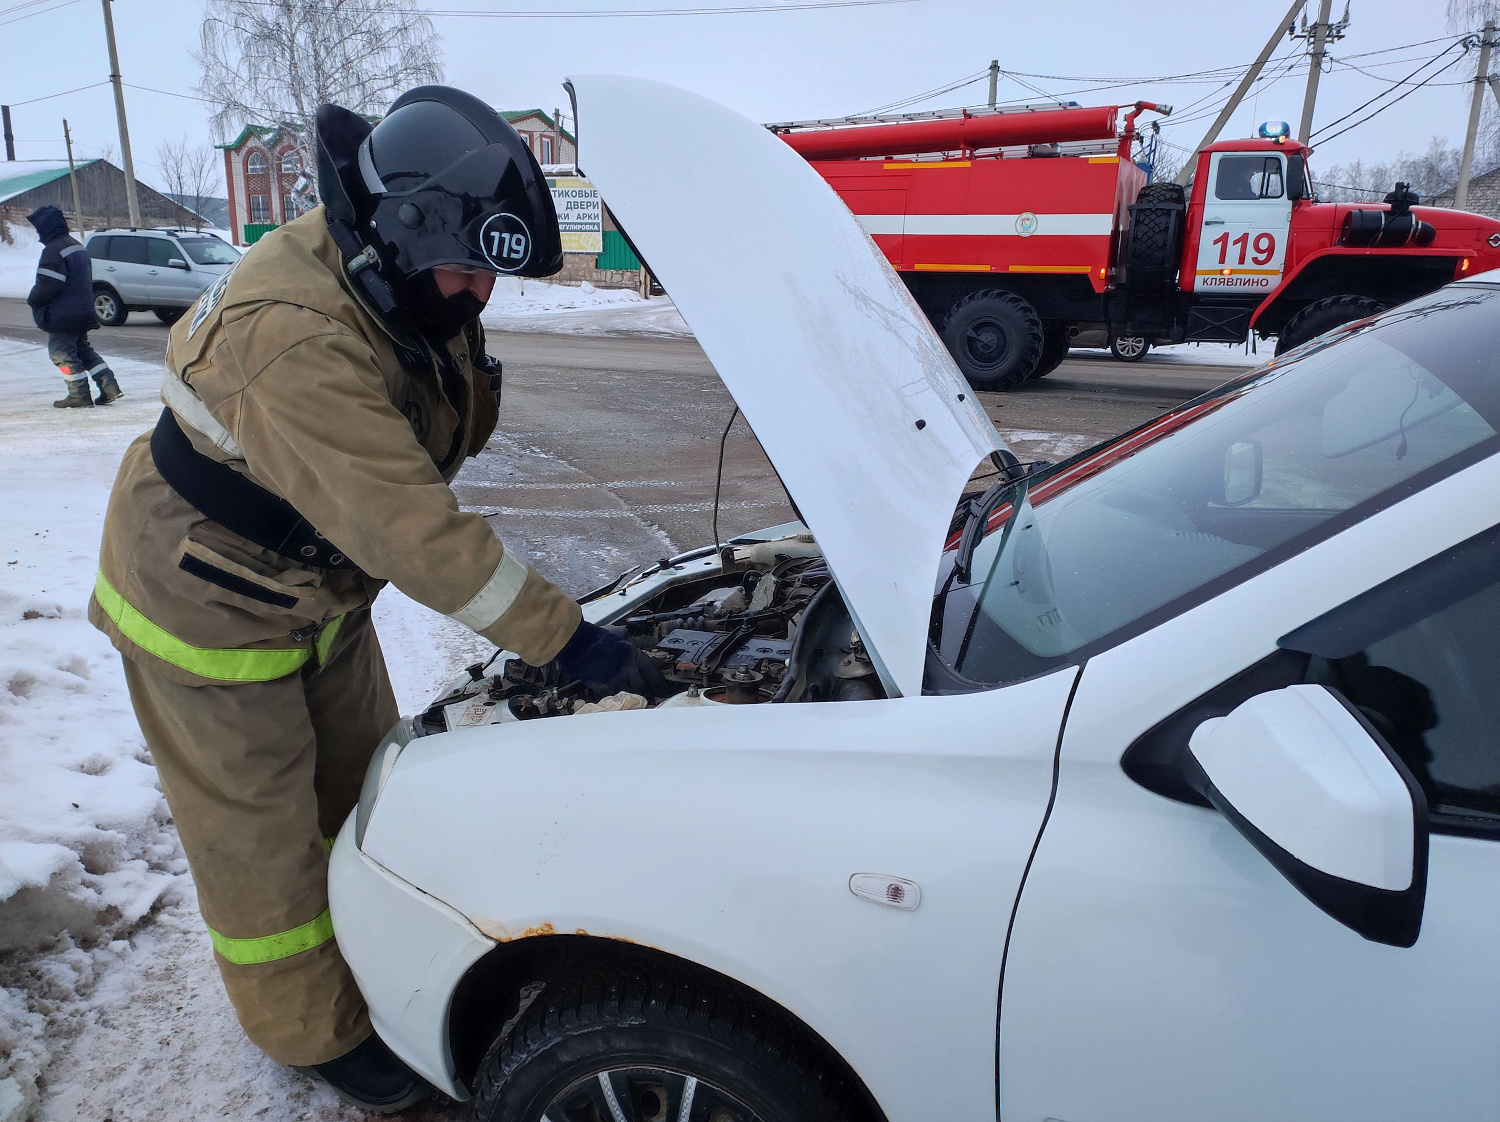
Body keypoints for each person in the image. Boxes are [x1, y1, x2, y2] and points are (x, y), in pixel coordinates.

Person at [88, 86, 663, 1112]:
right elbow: (412, 529)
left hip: (315, 588)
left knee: (365, 797)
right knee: (259, 843)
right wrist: (567, 641)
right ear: (406, 229)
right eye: (474, 267)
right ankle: (313, 1030)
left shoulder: (393, 282)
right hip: (205, 603)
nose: (482, 293)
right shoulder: (295, 337)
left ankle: (376, 961)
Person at [25, 205, 122, 408]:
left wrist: (33, 300)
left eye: (38, 229)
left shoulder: (53, 250)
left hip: (63, 315)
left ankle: (79, 395)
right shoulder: (76, 246)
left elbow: (48, 284)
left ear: (46, 228)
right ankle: (109, 387)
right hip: (83, 311)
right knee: (82, 351)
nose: (37, 233)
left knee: (61, 354)